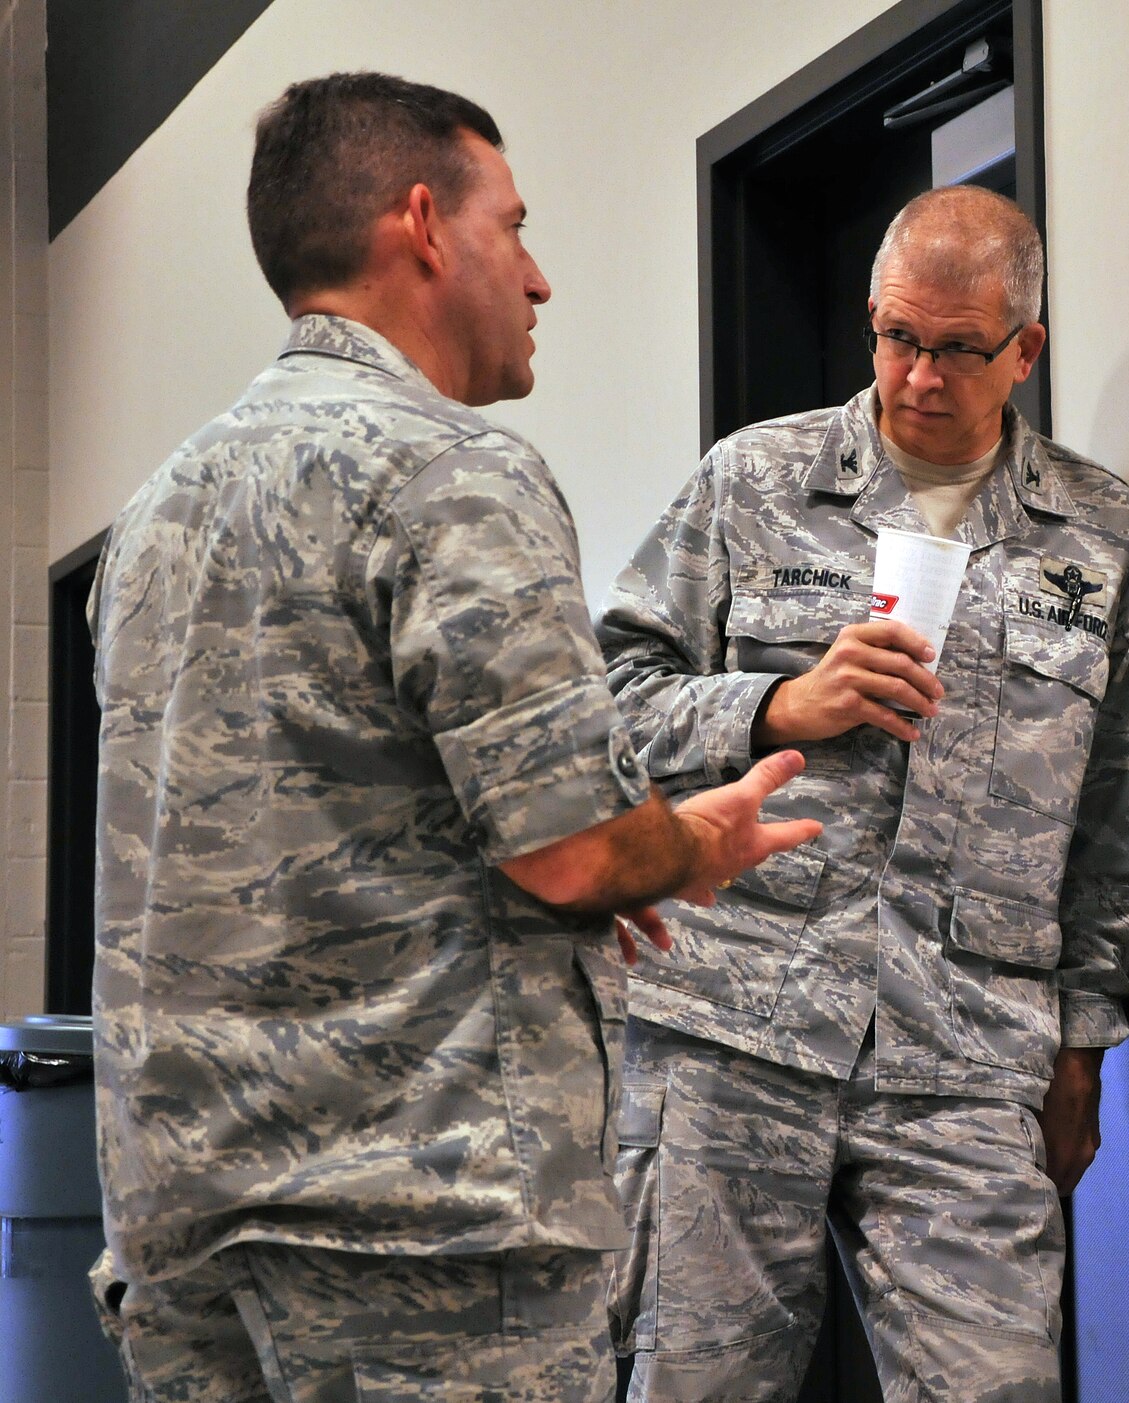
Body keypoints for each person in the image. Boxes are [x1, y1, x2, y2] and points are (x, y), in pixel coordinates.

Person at [87, 72, 820, 1402]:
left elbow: (326, 812)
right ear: (422, 225)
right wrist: (681, 843)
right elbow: (577, 853)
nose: (538, 279)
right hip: (418, 1230)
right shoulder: (453, 470)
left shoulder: (153, 516)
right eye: (516, 227)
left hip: (183, 1220)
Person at [597, 184, 1129, 1402]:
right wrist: (771, 706)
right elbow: (604, 703)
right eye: (898, 337)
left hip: (967, 1049)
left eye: (958, 349)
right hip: (733, 1025)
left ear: (1026, 352)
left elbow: (1106, 811)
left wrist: (1082, 1039)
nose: (920, 376)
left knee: (998, 1382)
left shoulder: (1094, 531)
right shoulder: (755, 480)